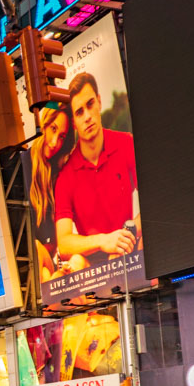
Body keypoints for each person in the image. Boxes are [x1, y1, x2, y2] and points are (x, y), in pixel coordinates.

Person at [54, 72, 140, 266]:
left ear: (99, 102)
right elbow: (65, 243)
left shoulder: (126, 144)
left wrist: (125, 238)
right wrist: (104, 241)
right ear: (74, 123)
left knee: (147, 242)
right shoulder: (65, 177)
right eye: (79, 112)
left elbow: (155, 204)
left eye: (90, 104)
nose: (87, 116)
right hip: (93, 269)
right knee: (75, 261)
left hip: (131, 247)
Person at [28, 103, 79, 281]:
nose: (54, 142)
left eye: (62, 136)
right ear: (44, 124)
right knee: (42, 269)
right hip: (35, 261)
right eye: (53, 129)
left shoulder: (60, 172)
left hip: (54, 260)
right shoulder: (24, 164)